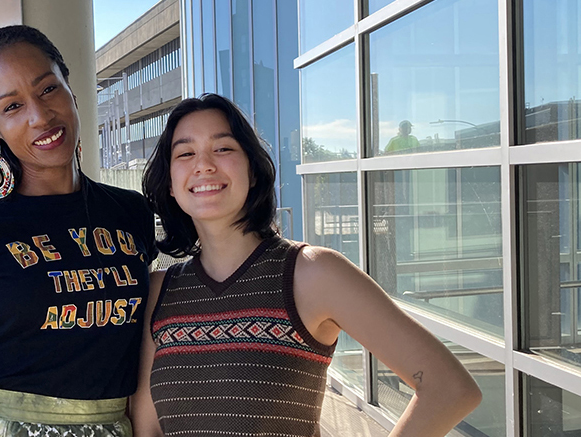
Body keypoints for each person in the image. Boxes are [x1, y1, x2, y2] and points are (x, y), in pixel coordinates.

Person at [130, 94, 481, 436]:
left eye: (223, 148)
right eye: (186, 153)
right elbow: (147, 429)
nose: (203, 164)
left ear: (253, 171)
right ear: (172, 185)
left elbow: (449, 389)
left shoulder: (312, 273)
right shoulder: (160, 292)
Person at [0, 25, 156, 437]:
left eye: (47, 90)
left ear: (70, 90)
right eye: (12, 107)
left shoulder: (130, 212)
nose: (40, 116)